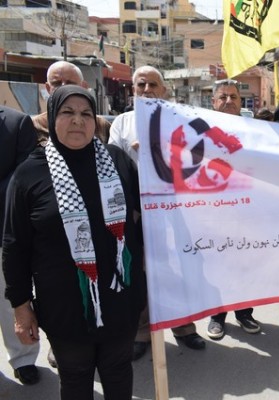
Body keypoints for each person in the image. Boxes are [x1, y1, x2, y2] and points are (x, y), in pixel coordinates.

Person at [2, 85, 147, 399]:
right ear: (53, 116)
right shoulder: (30, 174)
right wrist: (21, 308)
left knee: (118, 372)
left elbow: (153, 212)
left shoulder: (117, 160)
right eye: (67, 112)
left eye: (86, 113)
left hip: (121, 297)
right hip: (65, 305)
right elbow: (15, 246)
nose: (78, 121)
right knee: (75, 377)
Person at [109, 65, 205, 360]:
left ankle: (184, 327)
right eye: (141, 85)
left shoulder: (181, 120)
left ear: (164, 90)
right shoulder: (122, 123)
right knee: (141, 273)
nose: (147, 90)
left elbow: (197, 159)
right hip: (137, 212)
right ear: (133, 89)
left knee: (177, 268)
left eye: (153, 85)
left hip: (175, 209)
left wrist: (166, 153)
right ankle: (142, 331)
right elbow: (113, 165)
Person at [206, 79, 262, 340]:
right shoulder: (202, 131)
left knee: (245, 266)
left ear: (241, 102)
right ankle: (217, 317)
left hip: (247, 213)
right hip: (214, 213)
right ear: (213, 102)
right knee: (218, 267)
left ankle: (244, 313)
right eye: (223, 97)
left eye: (234, 97)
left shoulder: (255, 132)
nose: (228, 101)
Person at [0, 106, 38, 385]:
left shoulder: (17, 122)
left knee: (9, 297)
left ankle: (23, 358)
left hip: (4, 225)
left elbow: (22, 174)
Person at [32, 61, 111, 145]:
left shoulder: (101, 126)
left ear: (83, 87)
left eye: (70, 83)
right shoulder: (35, 125)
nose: (63, 88)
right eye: (56, 84)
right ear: (48, 88)